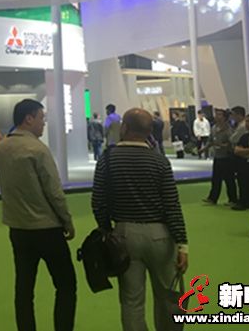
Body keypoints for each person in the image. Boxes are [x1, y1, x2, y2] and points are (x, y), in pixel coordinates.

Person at [0, 99, 76, 331]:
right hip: (48, 229)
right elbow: (54, 192)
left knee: (24, 290)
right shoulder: (38, 149)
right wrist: (67, 221)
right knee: (66, 286)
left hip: (18, 230)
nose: (44, 123)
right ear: (29, 119)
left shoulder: (1, 148)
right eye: (41, 118)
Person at [92, 108, 188, 331]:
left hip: (124, 235)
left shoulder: (107, 159)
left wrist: (107, 231)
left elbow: (98, 201)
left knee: (131, 301)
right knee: (167, 295)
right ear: (149, 131)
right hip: (160, 235)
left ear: (124, 128)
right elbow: (172, 205)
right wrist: (182, 244)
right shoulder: (160, 161)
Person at [203, 109, 238, 206]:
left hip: (227, 158)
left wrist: (222, 145)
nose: (217, 116)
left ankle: (233, 199)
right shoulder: (214, 128)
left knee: (229, 180)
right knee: (215, 179)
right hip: (217, 157)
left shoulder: (229, 129)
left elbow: (232, 143)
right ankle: (212, 198)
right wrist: (204, 149)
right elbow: (210, 141)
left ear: (225, 117)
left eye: (219, 115)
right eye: (216, 114)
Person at [229, 106, 248, 210]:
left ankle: (243, 201)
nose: (232, 117)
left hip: (241, 155)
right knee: (242, 179)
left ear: (239, 115)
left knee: (242, 179)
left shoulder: (242, 126)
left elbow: (233, 139)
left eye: (233, 115)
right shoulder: (240, 125)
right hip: (243, 155)